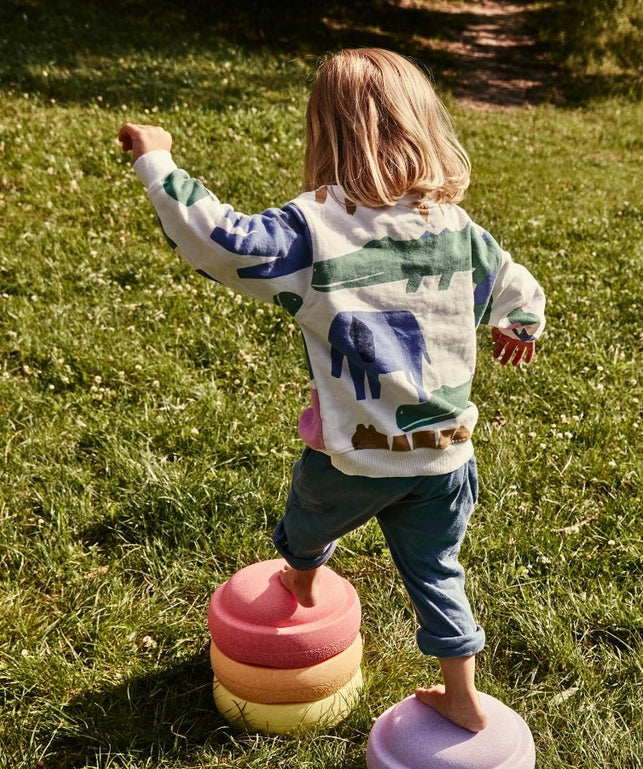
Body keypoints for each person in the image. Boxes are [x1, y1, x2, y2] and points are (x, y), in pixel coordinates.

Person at [118, 48, 545, 732]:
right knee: (438, 573)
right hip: (445, 457)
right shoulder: (456, 229)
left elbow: (216, 239)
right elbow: (514, 280)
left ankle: (303, 580)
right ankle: (462, 696)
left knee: (307, 520)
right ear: (424, 127)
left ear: (324, 133)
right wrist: (520, 324)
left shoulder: (313, 231)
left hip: (355, 457)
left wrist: (157, 160)